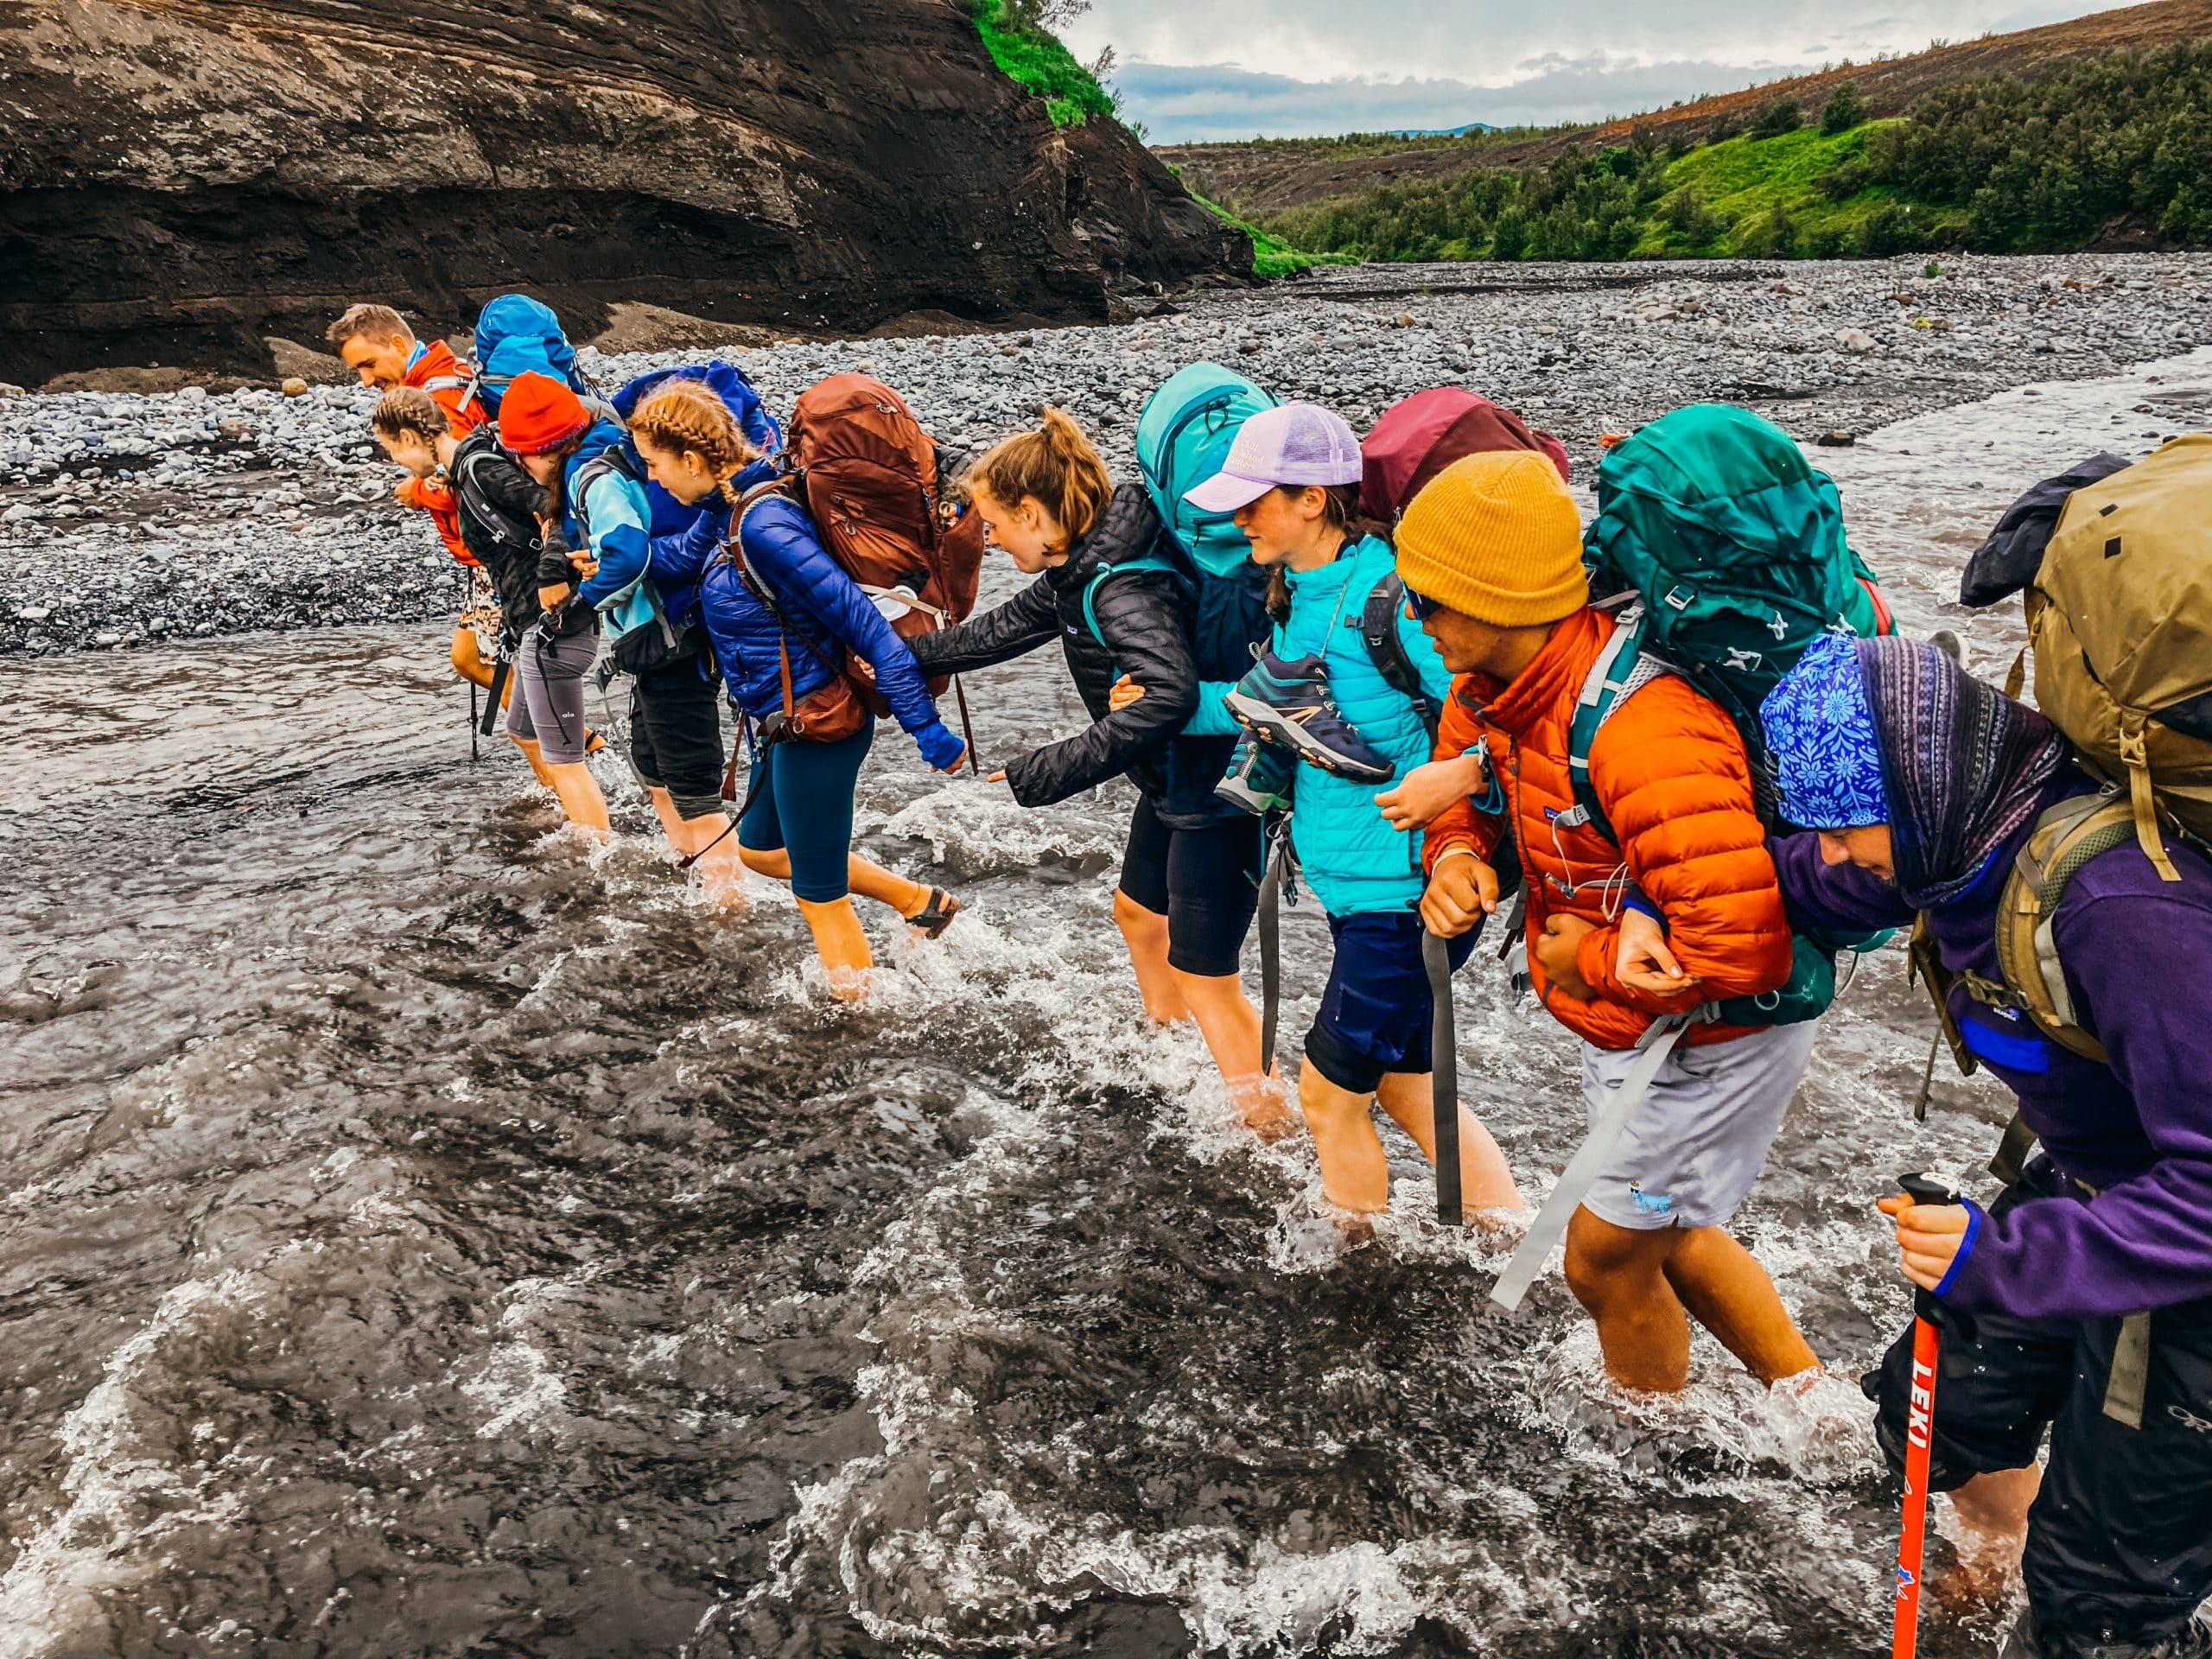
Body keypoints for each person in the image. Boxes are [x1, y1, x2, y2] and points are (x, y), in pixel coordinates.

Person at [1745, 633, 2212, 1659]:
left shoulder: (2119, 909)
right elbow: (1805, 880)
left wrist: (2003, 1261)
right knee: (1930, 1413)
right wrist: (1652, 902)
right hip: (2099, 1189)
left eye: (1844, 826)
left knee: (2102, 1605)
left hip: (2188, 1256)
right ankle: (2009, 1553)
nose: (1831, 853)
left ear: (1916, 787)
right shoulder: (1953, 843)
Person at [1403, 451, 1818, 1394]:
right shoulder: (1491, 689)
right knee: (1665, 1240)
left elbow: (1742, 944)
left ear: (1497, 599)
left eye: (1426, 599)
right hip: (1631, 1019)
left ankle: (1649, 1460)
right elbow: (1469, 786)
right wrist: (1458, 858)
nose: (1410, 619)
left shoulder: (1644, 728)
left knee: (1598, 1259)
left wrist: (1583, 955)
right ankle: (1820, 1411)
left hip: (1713, 1033)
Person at [1158, 403, 1523, 1217]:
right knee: (1403, 1086)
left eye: (1254, 501)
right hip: (1356, 890)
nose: (1237, 517)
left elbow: (1509, 724)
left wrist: (1460, 778)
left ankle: (1352, 1267)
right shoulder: (1296, 590)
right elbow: (1267, 702)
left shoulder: (1394, 601)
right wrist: (1165, 704)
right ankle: (1508, 1236)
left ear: (1314, 499)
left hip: (1410, 897)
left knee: (1326, 1098)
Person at [908, 409, 1288, 1131]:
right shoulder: (1080, 564)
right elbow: (1003, 629)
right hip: (1172, 778)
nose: (986, 537)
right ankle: (1169, 1052)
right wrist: (894, 656)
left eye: (993, 523)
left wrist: (1042, 772)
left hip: (1219, 792)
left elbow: (1171, 698)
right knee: (1139, 914)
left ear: (1032, 512)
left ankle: (1267, 1132)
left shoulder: (1118, 587)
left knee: (1209, 975)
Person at [674, 385, 970, 1000]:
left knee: (820, 897)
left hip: (819, 726)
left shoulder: (766, 526)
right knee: (758, 851)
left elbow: (869, 631)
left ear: (691, 460)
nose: (649, 476)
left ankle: (861, 1025)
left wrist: (929, 732)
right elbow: (674, 559)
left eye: (653, 462)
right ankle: (919, 901)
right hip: (778, 723)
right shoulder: (733, 505)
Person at [327, 303, 505, 692]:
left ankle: (577, 748)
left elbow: (470, 482)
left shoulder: (438, 400)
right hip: (483, 555)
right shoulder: (450, 374)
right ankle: (576, 742)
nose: (365, 380)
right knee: (469, 659)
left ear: (396, 343)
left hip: (493, 555)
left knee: (509, 677)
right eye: (359, 369)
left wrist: (418, 491)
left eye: (369, 364)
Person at [491, 372, 624, 839]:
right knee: (524, 732)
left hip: (560, 636)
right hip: (562, 634)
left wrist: (565, 590)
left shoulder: (581, 478)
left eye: (529, 456)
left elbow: (584, 535)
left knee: (566, 764)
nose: (531, 466)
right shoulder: (597, 454)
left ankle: (596, 854)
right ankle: (579, 816)